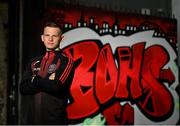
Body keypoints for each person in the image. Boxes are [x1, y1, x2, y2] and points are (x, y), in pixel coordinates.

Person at [20, 21, 75, 124]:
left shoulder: (66, 61)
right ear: (42, 38)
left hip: (55, 122)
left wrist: (34, 79)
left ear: (61, 38)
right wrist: (46, 81)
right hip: (31, 122)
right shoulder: (33, 62)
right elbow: (23, 88)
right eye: (47, 35)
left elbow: (56, 87)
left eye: (54, 36)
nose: (50, 39)